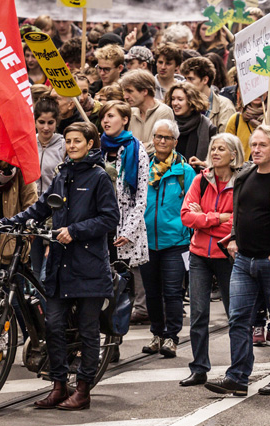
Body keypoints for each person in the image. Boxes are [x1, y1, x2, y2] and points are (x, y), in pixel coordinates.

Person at [0, 122, 120, 411]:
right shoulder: (63, 173)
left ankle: (83, 389)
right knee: (53, 326)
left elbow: (109, 218)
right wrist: (9, 222)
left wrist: (75, 231)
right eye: (68, 140)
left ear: (91, 143)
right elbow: (41, 206)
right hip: (60, 264)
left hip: (89, 265)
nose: (72, 145)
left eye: (78, 140)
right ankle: (58, 386)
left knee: (88, 330)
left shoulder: (99, 177)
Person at [207, 126, 270, 398]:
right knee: (238, 319)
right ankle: (237, 377)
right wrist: (234, 237)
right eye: (253, 144)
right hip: (243, 261)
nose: (255, 149)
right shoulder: (245, 175)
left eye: (262, 145)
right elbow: (239, 211)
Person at [179, 133, 244, 387]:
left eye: (221, 149)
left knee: (235, 315)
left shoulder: (241, 183)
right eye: (213, 148)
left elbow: (238, 221)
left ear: (234, 155)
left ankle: (237, 370)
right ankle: (199, 368)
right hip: (198, 255)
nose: (215, 152)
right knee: (198, 314)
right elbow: (186, 216)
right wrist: (219, 218)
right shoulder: (200, 180)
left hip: (227, 255)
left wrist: (205, 217)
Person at [139, 119, 196, 358]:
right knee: (151, 292)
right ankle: (157, 334)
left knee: (173, 292)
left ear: (175, 141)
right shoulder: (143, 168)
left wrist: (190, 237)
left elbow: (194, 206)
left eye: (167, 138)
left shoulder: (185, 172)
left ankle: (172, 337)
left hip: (176, 242)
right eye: (158, 137)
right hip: (148, 242)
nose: (162, 142)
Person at [98, 101, 150, 267]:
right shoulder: (99, 150)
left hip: (126, 229)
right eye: (103, 117)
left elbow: (141, 199)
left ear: (125, 120)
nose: (105, 121)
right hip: (101, 227)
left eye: (111, 116)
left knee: (127, 284)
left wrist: (128, 231)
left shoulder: (137, 150)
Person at [181, 56, 237, 131]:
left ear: (205, 80)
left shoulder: (225, 107)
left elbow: (225, 140)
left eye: (191, 79)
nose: (186, 83)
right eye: (185, 79)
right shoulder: (181, 102)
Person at [121, 69, 174, 147]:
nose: (125, 96)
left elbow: (160, 146)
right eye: (124, 92)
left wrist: (135, 148)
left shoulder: (164, 112)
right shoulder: (131, 112)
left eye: (130, 91)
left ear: (145, 91)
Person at [167, 81, 215, 165]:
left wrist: (202, 164)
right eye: (173, 99)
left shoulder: (207, 127)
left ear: (192, 102)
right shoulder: (166, 124)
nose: (175, 103)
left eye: (180, 99)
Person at [34, 97, 66, 195]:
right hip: (31, 201)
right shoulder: (28, 144)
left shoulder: (64, 145)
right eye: (42, 122)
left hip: (54, 201)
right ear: (35, 122)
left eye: (50, 122)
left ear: (56, 122)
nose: (46, 127)